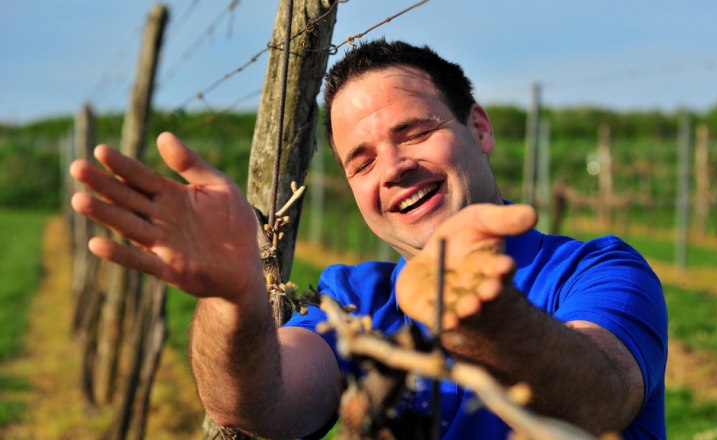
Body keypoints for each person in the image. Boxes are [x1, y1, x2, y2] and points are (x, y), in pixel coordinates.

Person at [70, 39, 667, 439]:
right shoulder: (357, 299)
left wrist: (482, 320)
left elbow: (604, 396)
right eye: (361, 161)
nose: (392, 168)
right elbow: (257, 403)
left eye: (415, 132)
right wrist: (234, 296)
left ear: (478, 128)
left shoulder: (595, 271)